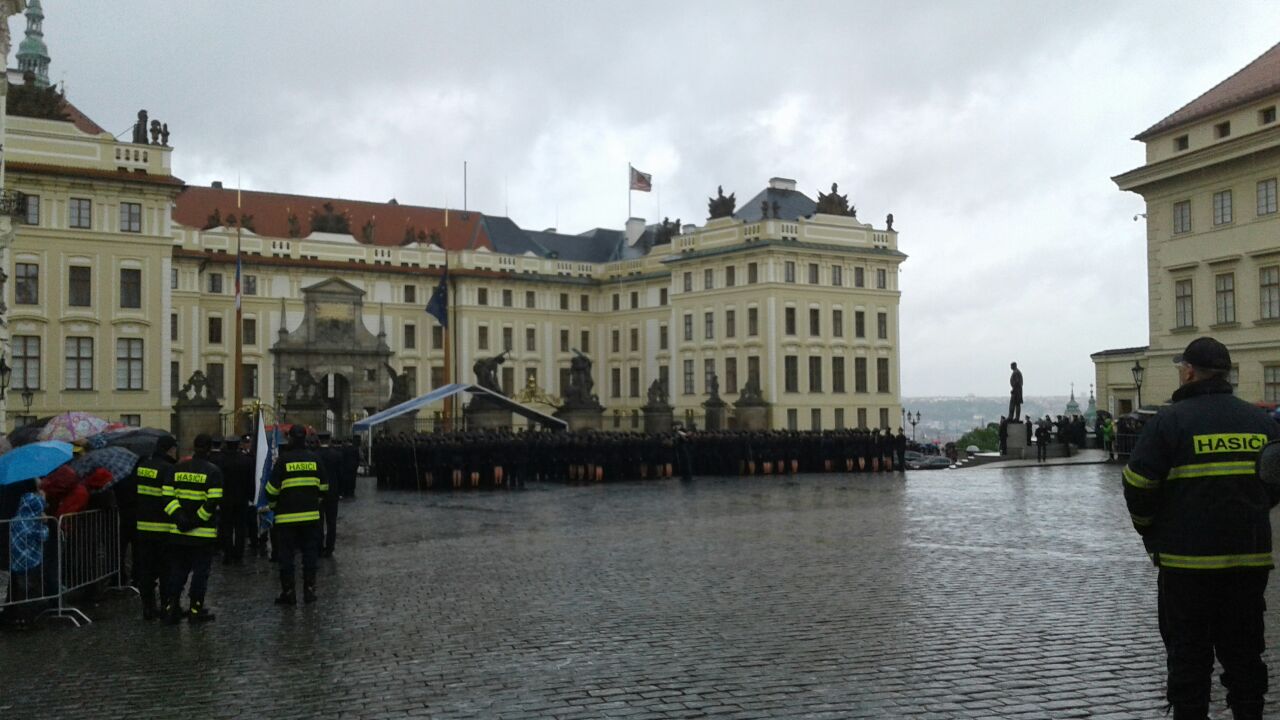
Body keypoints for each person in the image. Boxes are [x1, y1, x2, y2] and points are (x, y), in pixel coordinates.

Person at [1123, 337, 1280, 720]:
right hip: (1248, 562)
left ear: (1190, 372)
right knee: (1244, 656)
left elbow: (1138, 485)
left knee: (1189, 658)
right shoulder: (1260, 422)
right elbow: (1275, 482)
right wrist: (1253, 510)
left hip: (1186, 566)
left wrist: (1151, 532)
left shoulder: (1169, 422)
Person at [162, 433, 223, 624]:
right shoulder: (213, 471)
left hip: (178, 532)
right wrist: (196, 520)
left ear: (194, 447)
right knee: (200, 574)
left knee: (177, 572)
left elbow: (167, 497)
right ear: (209, 449)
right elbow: (213, 502)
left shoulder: (176, 469)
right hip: (202, 534)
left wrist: (179, 517)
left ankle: (171, 608)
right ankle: (196, 610)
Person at [266, 425, 329, 605]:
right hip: (311, 517)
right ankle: (309, 590)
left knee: (287, 556)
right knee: (310, 554)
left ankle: (289, 592)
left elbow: (271, 490)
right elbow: (324, 487)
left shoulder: (283, 461)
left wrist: (274, 507)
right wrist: (314, 502)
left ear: (290, 439)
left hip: (286, 518)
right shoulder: (315, 459)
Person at [131, 435, 178, 620]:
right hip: (163, 528)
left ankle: (148, 608)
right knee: (166, 571)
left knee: (146, 571)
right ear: (170, 449)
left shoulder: (142, 467)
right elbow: (170, 498)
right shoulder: (169, 469)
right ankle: (167, 607)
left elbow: (134, 493)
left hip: (143, 527)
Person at [219, 435, 254, 565]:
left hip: (225, 499)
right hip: (242, 498)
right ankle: (238, 554)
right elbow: (250, 480)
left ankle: (227, 554)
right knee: (240, 528)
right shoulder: (246, 460)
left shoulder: (221, 460)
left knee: (226, 527)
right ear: (238, 444)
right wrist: (251, 496)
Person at [317, 432, 343, 558]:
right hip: (333, 492)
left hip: (318, 493)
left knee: (319, 521)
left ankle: (319, 546)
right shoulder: (337, 455)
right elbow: (340, 475)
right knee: (332, 522)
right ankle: (330, 547)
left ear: (318, 441)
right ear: (330, 440)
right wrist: (340, 491)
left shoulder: (315, 455)